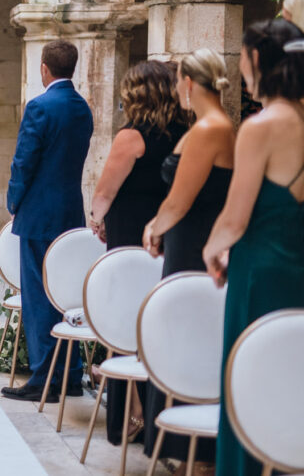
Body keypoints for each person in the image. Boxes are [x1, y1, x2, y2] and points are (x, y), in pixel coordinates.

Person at [200, 19, 304, 476]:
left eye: (241, 58)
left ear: (258, 59)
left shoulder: (261, 128)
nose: (239, 69)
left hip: (258, 275)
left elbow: (234, 217)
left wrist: (212, 250)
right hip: (298, 268)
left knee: (249, 384)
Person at [140, 48, 234, 469]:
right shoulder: (209, 125)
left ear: (190, 83)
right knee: (182, 330)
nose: (176, 88)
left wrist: (154, 227)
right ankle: (181, 444)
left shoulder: (211, 128)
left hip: (194, 241)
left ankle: (189, 449)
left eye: (178, 79)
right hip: (187, 240)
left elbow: (180, 200)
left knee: (186, 332)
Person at [88, 60, 186, 445]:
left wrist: (96, 220)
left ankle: (130, 414)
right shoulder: (187, 131)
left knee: (125, 320)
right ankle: (153, 412)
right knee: (156, 321)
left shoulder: (131, 137)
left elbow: (104, 193)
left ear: (136, 94)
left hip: (130, 238)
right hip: (167, 237)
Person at [1, 39, 93, 404]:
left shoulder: (39, 106)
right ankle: (70, 375)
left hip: (39, 213)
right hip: (70, 211)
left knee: (39, 297)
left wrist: (13, 200)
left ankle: (43, 379)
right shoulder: (82, 108)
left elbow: (24, 161)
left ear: (44, 69)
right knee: (65, 293)